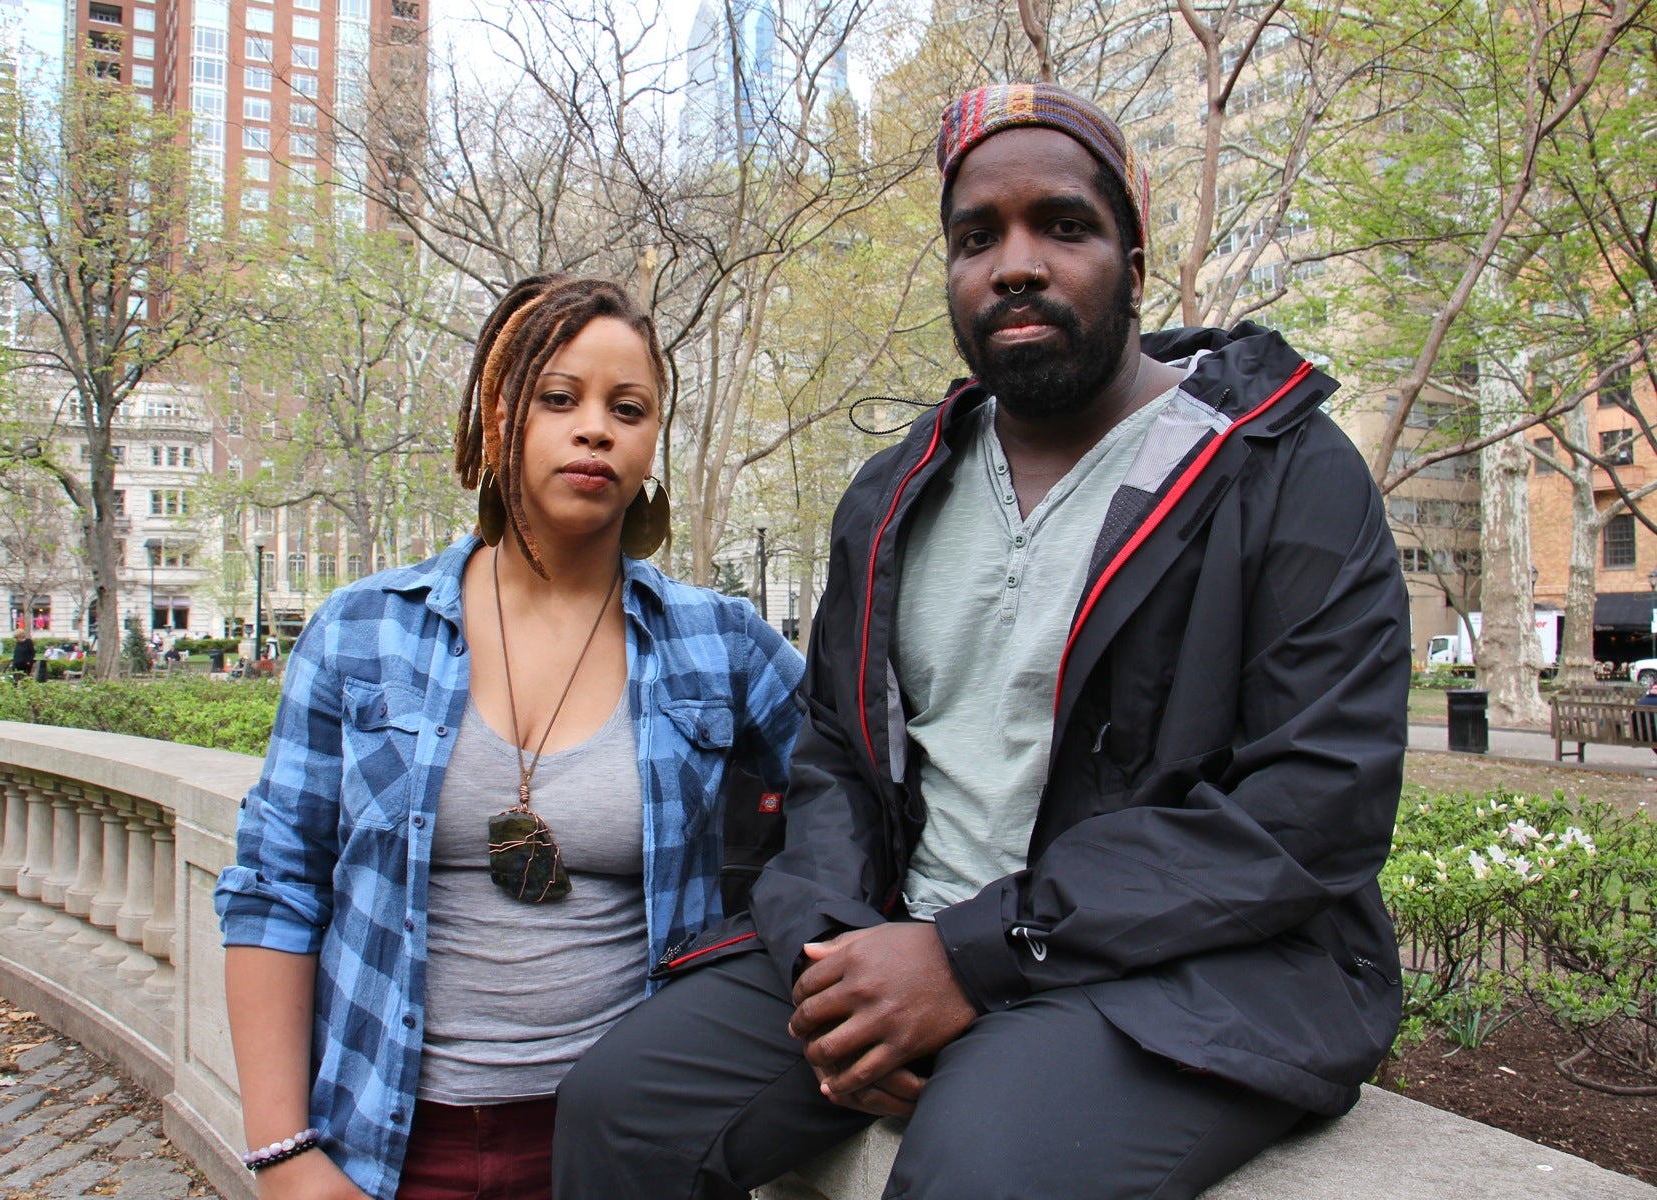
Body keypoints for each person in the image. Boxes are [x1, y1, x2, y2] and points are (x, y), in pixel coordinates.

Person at [555, 83, 1410, 1200]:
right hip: (899, 938)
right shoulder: (895, 493)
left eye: (1063, 225)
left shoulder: (1282, 468)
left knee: (975, 1170)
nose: (1015, 263)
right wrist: (832, 952)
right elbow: (833, 758)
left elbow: (1315, 804)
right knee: (621, 1111)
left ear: (1134, 261)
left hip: (1167, 969)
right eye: (976, 237)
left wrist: (969, 957)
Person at [215, 275, 806, 1200]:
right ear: (499, 417)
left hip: (623, 1143)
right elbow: (274, 884)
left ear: (653, 442)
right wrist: (283, 1154)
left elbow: (852, 789)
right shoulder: (363, 632)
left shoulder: (717, 644)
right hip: (389, 1140)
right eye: (558, 398)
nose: (596, 429)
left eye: (630, 407)